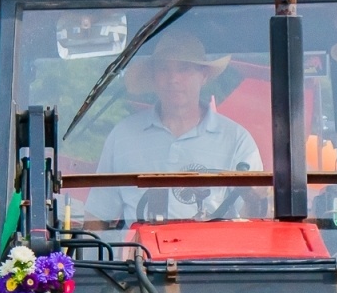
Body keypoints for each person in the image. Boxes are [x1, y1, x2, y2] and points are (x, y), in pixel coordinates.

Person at [83, 30, 262, 226]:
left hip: (211, 254)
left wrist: (257, 198)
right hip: (137, 254)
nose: (173, 78)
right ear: (154, 77)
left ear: (203, 75)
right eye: (164, 69)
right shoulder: (122, 135)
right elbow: (97, 218)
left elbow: (253, 219)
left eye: (184, 68)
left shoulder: (236, 139)